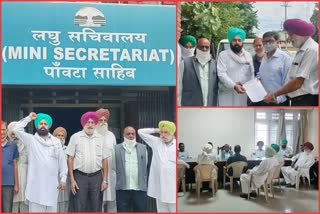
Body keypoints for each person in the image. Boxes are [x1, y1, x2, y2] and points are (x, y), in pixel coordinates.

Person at [13, 113, 67, 212]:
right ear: (37, 125)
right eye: (40, 123)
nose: (43, 125)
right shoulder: (31, 140)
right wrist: (29, 118)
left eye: (45, 124)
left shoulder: (56, 142)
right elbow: (16, 129)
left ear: (49, 126)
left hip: (51, 186)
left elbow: (62, 161)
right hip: (36, 188)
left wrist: (63, 178)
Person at [264, 18, 318, 106]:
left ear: (302, 34)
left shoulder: (311, 50)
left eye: (291, 34)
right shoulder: (302, 49)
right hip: (298, 100)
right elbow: (291, 78)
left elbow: (297, 82)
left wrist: (274, 94)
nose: (289, 38)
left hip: (307, 101)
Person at [66, 111, 111, 212]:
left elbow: (105, 159)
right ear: (83, 123)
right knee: (79, 205)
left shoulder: (101, 138)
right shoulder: (75, 137)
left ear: (95, 124)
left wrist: (105, 180)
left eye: (92, 122)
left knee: (96, 205)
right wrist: (72, 180)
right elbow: (70, 159)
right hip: (79, 177)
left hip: (97, 177)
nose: (90, 125)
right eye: (88, 122)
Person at [138, 120, 176, 212]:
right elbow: (140, 132)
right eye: (161, 132)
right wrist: (157, 130)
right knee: (161, 210)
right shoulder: (156, 142)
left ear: (172, 133)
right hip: (159, 186)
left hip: (172, 188)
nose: (163, 135)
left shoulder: (176, 145)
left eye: (166, 132)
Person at [252, 31, 292, 106]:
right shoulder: (264, 57)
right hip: (264, 100)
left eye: (270, 41)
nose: (267, 44)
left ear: (277, 42)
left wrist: (277, 99)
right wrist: (258, 78)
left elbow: (288, 83)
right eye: (265, 42)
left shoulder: (285, 59)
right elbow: (261, 74)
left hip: (279, 101)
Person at [114, 126, 148, 212]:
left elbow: (145, 165)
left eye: (133, 133)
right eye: (128, 134)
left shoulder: (143, 148)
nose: (131, 135)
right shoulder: (116, 149)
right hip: (122, 189)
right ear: (123, 135)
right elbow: (113, 166)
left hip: (139, 189)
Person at [217, 27, 254, 106]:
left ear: (242, 42)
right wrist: (234, 85)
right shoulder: (223, 55)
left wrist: (250, 89)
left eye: (239, 40)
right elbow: (221, 73)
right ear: (230, 41)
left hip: (243, 93)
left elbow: (252, 74)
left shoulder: (248, 56)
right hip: (227, 93)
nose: (237, 42)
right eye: (234, 40)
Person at [179, 37, 219, 106]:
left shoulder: (215, 64)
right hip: (190, 107)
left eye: (207, 47)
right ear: (197, 47)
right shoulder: (185, 63)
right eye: (202, 47)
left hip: (210, 107)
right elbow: (179, 87)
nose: (204, 49)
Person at [95, 108, 117, 212]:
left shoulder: (111, 135)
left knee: (112, 201)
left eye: (105, 120)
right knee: (99, 202)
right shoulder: (92, 135)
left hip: (111, 174)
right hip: (97, 174)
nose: (103, 123)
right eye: (100, 120)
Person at [8, 122, 29, 212]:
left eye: (17, 133)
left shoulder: (27, 144)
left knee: (25, 202)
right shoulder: (7, 145)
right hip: (12, 174)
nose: (15, 136)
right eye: (13, 133)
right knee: (13, 203)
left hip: (26, 174)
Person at [2, 121, 19, 212]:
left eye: (4, 129)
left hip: (8, 183)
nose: (2, 132)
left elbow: (15, 165)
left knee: (7, 209)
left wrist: (16, 184)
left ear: (7, 130)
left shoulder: (13, 145)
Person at [53, 127, 70, 212]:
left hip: (65, 180)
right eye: (58, 135)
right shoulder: (50, 148)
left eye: (62, 136)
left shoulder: (68, 149)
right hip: (54, 179)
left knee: (64, 202)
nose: (60, 137)